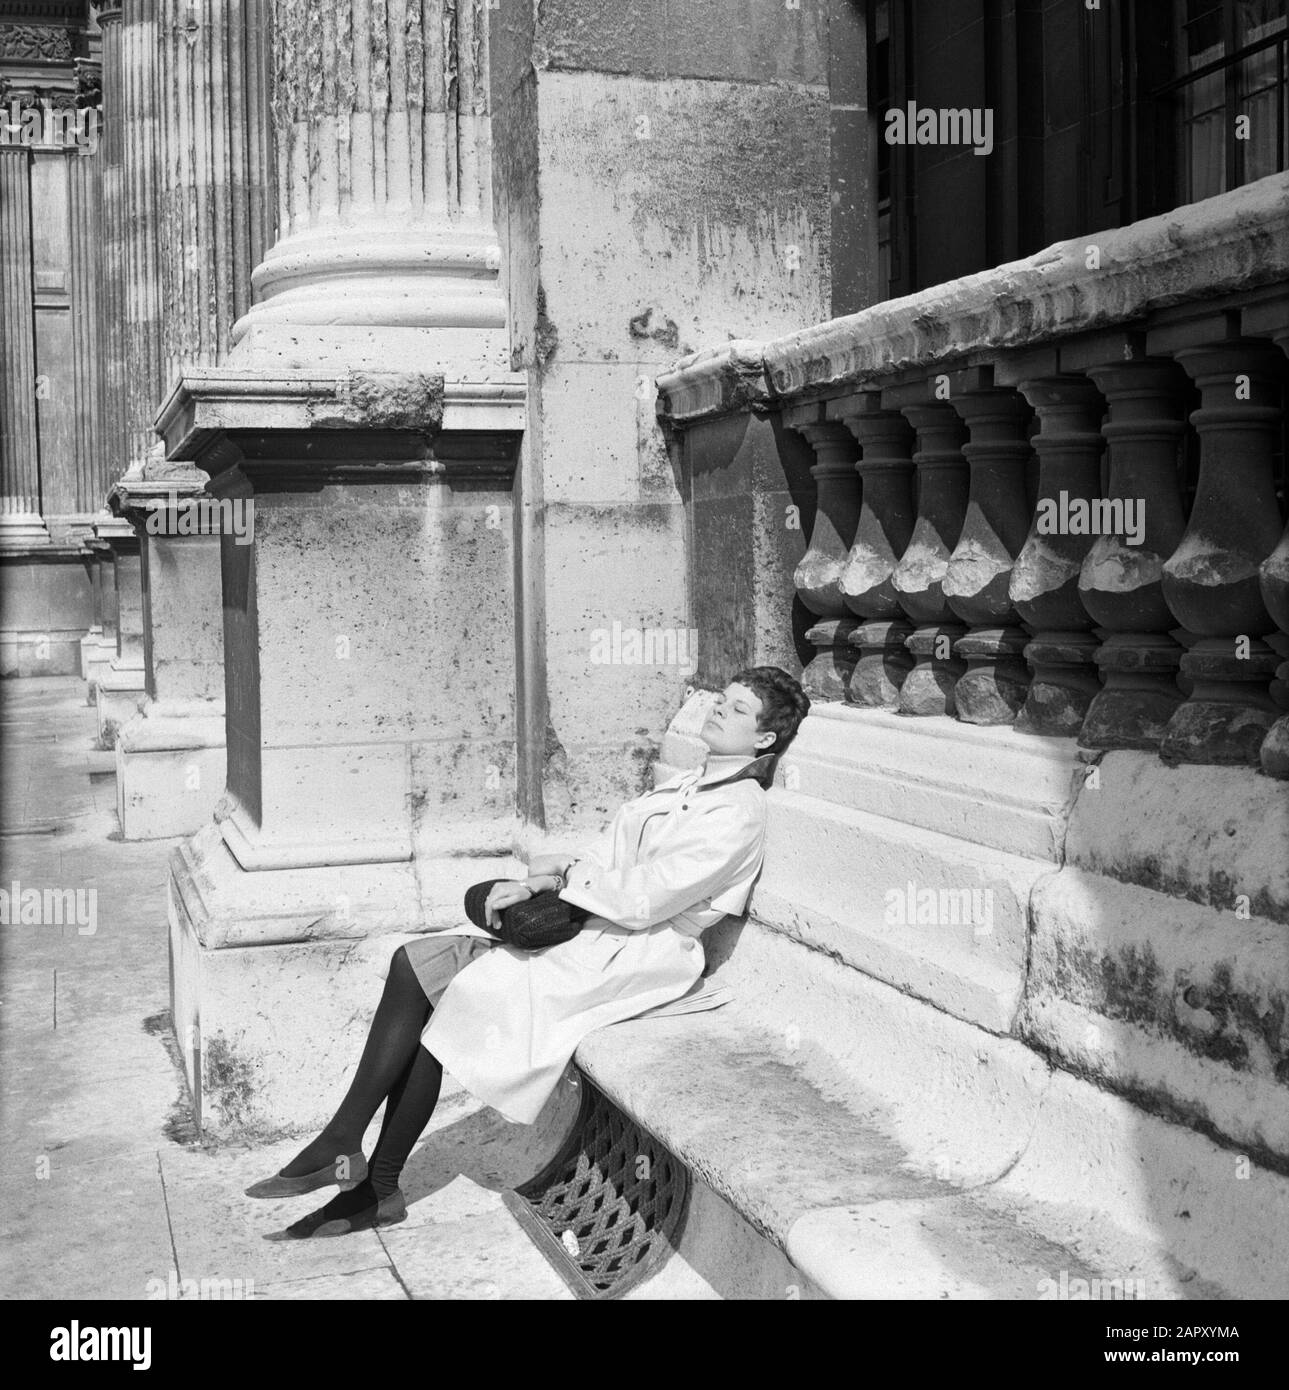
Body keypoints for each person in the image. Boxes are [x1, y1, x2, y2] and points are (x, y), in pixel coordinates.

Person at [246, 666, 810, 1238]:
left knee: (421, 973)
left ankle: (355, 1161)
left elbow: (645, 900)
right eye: (724, 700)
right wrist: (542, 883)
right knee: (423, 977)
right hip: (596, 928)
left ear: (765, 740)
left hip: (638, 953)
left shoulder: (738, 811)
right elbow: (603, 857)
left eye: (739, 710)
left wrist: (561, 884)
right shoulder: (686, 784)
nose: (718, 710)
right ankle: (365, 1175)